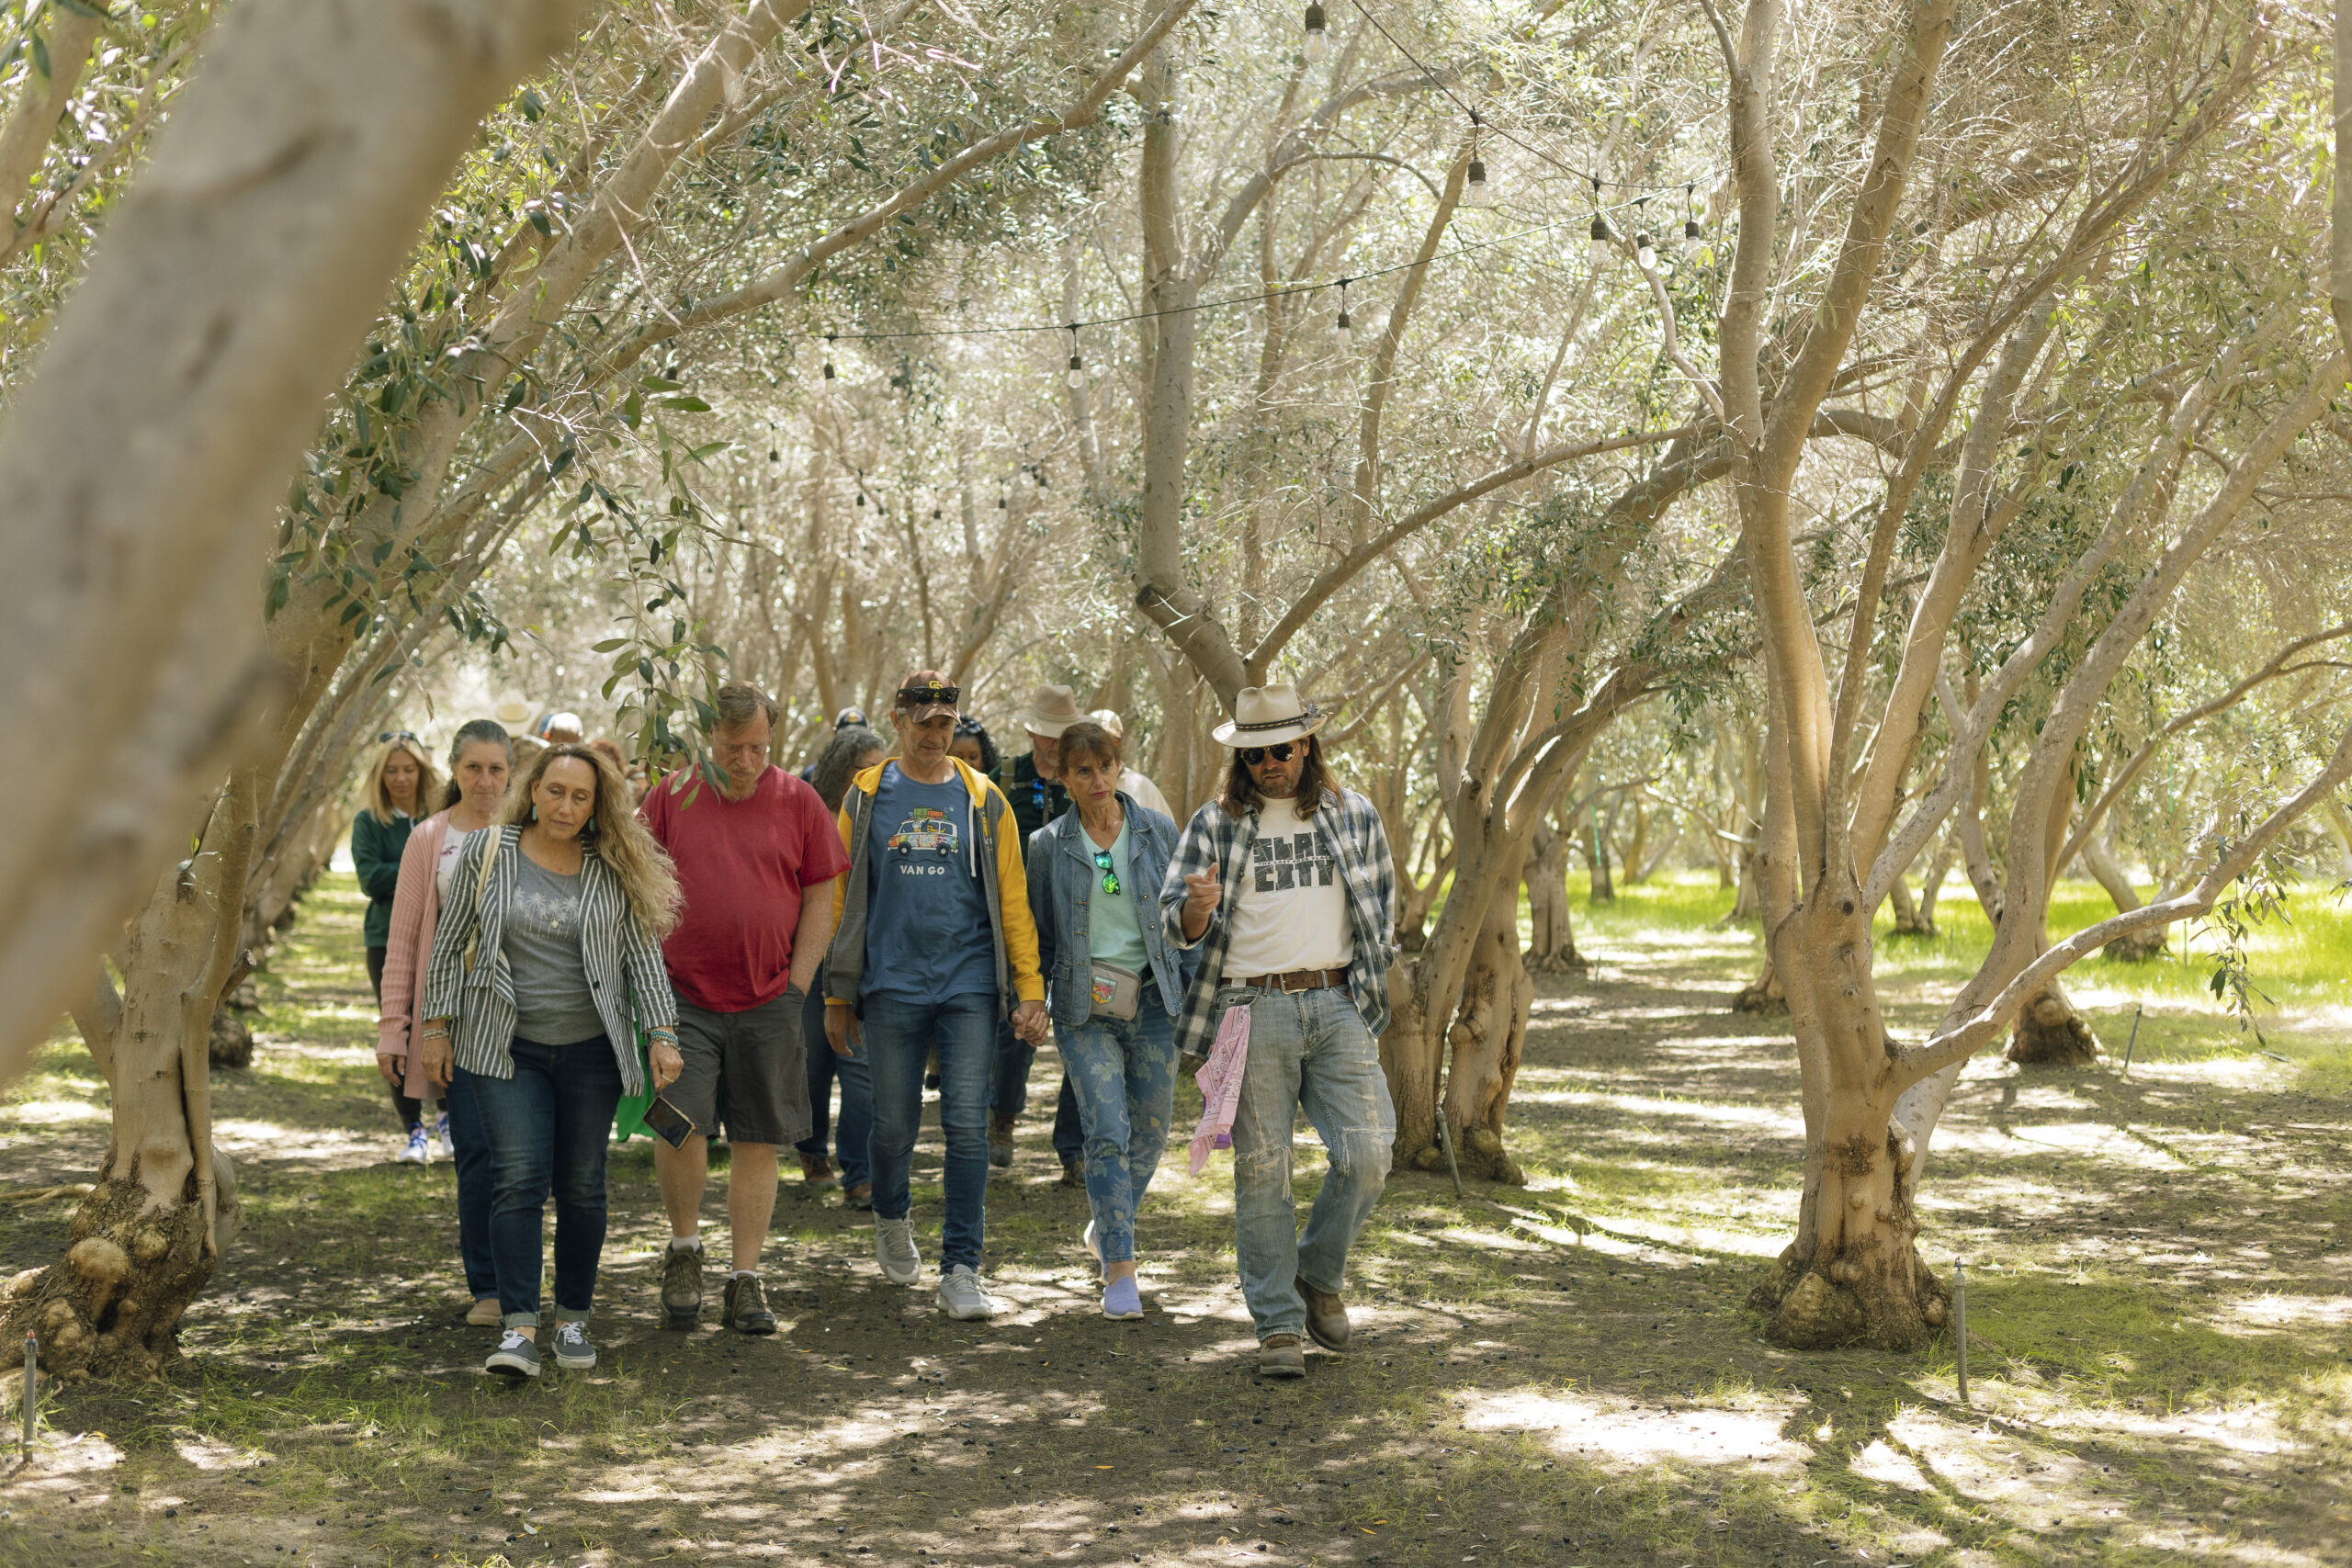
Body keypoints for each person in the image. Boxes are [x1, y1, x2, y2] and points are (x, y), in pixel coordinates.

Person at [419, 744, 684, 1381]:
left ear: (598, 805)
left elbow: (642, 956)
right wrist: (434, 1025)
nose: (566, 805)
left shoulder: (610, 865)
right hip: (504, 1045)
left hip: (591, 1050)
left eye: (581, 795)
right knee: (518, 1177)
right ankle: (517, 1327)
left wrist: (662, 1032)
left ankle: (571, 1316)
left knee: (583, 1183)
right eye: (556, 790)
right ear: (533, 790)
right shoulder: (488, 852)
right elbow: (450, 939)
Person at [1160, 683, 1399, 1379]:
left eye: (1282, 749)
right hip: (1250, 1006)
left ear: (1306, 746)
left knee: (1369, 1153)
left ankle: (1317, 1275)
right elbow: (1175, 920)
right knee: (1264, 1174)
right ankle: (1277, 1326)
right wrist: (1197, 909)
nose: (1270, 762)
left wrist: (1366, 979)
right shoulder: (1215, 822)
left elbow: (1382, 906)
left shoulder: (1354, 815)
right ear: (1243, 757)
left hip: (1336, 1001)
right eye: (1256, 752)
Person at [825, 671, 1047, 1320]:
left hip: (968, 985)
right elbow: (843, 900)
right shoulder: (865, 797)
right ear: (898, 719)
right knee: (892, 1126)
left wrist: (1029, 989)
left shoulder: (984, 799)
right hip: (890, 985)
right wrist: (840, 996)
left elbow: (1013, 901)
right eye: (922, 721)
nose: (934, 732)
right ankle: (893, 1215)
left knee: (966, 1127)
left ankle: (962, 1267)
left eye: (944, 722)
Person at [639, 683, 849, 1336]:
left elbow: (821, 895)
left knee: (760, 1136)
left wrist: (798, 983)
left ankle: (745, 1277)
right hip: (682, 996)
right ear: (710, 738)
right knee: (681, 1125)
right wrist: (650, 993)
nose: (749, 759)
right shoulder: (670, 797)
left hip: (770, 999)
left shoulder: (799, 799)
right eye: (736, 747)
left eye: (760, 745)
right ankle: (683, 1252)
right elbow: (637, 888)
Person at [1026, 721, 1193, 1319]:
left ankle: (1106, 1224)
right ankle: (1119, 1268)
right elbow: (1040, 935)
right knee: (1105, 1131)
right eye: (1083, 771)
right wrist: (1029, 997)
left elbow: (1182, 921)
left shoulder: (1157, 830)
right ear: (1064, 777)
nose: (1098, 780)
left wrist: (1205, 996)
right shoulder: (1047, 846)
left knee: (1150, 1130)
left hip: (1152, 1000)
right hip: (1082, 1006)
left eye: (1107, 766)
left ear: (1120, 766)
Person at [378, 720, 512, 1327]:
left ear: (511, 773)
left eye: (497, 768)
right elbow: (403, 941)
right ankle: (489, 1287)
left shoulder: (532, 831)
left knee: (530, 1158)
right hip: (455, 1020)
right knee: (479, 1153)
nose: (485, 779)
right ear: (454, 770)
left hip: (531, 1020)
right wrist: (395, 1027)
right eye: (473, 767)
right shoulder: (430, 838)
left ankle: (528, 1280)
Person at [992, 683, 1087, 1186]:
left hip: (1075, 926)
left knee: (1081, 1030)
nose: (1053, 744)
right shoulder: (1002, 779)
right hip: (1017, 928)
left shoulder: (1084, 776)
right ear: (1030, 731)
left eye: (1062, 735)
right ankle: (1002, 1118)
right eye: (1046, 734)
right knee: (1015, 1030)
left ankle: (1072, 1148)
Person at [796, 724, 888, 1209]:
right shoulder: (810, 813)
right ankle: (811, 1147)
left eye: (880, 767)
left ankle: (859, 1173)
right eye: (864, 767)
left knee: (861, 1071)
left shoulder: (886, 816)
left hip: (865, 966)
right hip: (811, 962)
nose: (874, 776)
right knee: (812, 1066)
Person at [356, 734, 444, 1160]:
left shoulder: (441, 815)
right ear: (380, 775)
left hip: (440, 935)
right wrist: (422, 867)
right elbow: (369, 878)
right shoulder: (369, 821)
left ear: (422, 772)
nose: (401, 778)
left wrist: (405, 872)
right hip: (384, 938)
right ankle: (413, 1130)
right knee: (398, 1031)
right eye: (392, 770)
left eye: (409, 769)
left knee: (441, 1024)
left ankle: (447, 1117)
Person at [1089, 708, 1174, 819]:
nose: (1101, 746)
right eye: (1094, 740)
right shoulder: (1073, 786)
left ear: (1118, 743)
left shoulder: (1144, 787)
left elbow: (1167, 833)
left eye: (1109, 739)